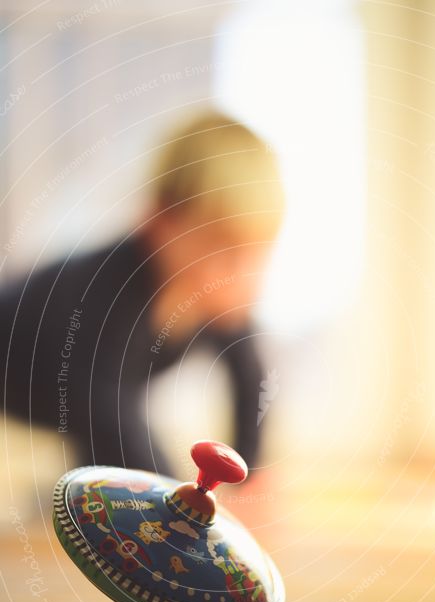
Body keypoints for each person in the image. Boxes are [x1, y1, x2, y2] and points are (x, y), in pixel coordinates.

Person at [0, 111, 284, 476]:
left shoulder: (209, 294)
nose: (244, 280)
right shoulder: (109, 294)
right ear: (158, 220)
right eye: (225, 253)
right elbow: (113, 421)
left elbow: (250, 374)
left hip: (82, 401)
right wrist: (174, 506)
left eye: (258, 255)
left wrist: (250, 473)